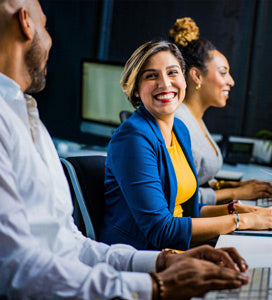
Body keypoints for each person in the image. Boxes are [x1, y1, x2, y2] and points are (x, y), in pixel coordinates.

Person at [0, 0, 250, 299]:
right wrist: (157, 284)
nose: (50, 40)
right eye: (45, 25)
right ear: (26, 22)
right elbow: (15, 271)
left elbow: (71, 246)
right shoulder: (7, 122)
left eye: (172, 73)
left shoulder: (27, 117)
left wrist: (165, 262)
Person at [100, 39, 272, 251]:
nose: (165, 83)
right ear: (136, 89)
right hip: (141, 257)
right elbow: (161, 230)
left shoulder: (180, 130)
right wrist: (242, 221)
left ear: (184, 80)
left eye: (172, 73)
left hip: (177, 250)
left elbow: (188, 212)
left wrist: (241, 211)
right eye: (151, 76)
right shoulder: (133, 137)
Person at [170, 17, 272, 206]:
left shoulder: (195, 119)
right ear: (196, 75)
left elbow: (198, 181)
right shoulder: (179, 123)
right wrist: (235, 193)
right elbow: (181, 198)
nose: (231, 81)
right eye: (223, 72)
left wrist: (232, 186)